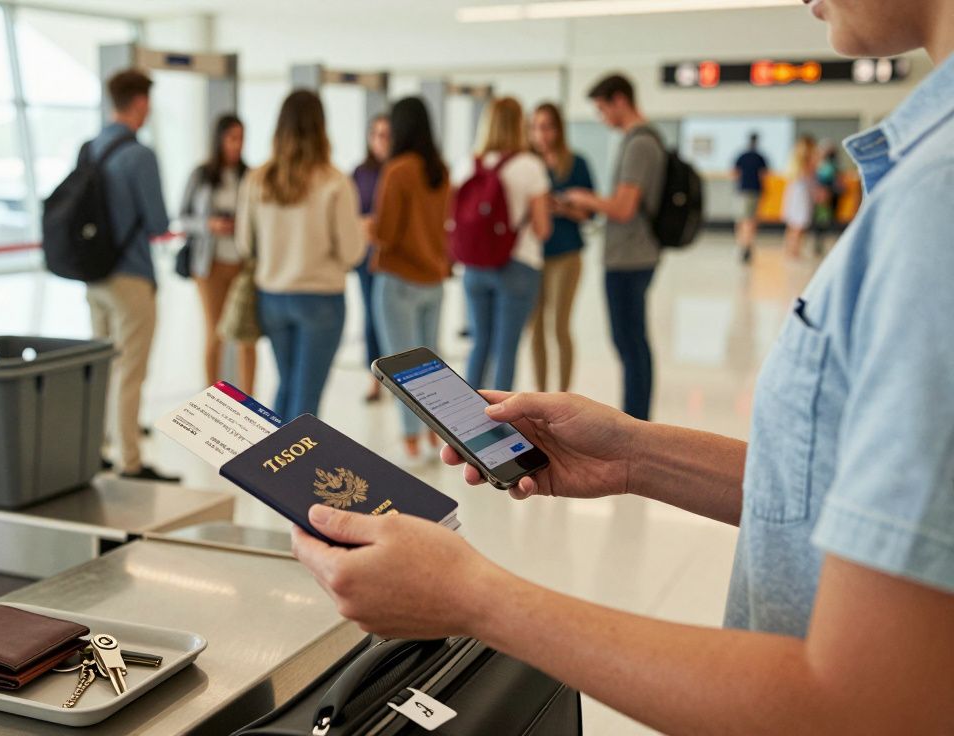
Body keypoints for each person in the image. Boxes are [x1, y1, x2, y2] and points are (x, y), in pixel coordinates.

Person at [290, 0, 954, 731]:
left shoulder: (936, 200)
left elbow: (861, 705)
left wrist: (475, 598)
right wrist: (637, 455)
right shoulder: (924, 176)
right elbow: (847, 499)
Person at [236, 91, 363, 421]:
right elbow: (351, 253)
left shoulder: (257, 179)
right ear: (322, 127)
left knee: (288, 386)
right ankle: (290, 470)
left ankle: (270, 467)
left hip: (272, 298)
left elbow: (244, 246)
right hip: (320, 300)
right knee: (306, 398)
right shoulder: (335, 182)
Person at [86, 69, 178, 483]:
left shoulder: (90, 148)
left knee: (104, 364)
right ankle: (131, 461)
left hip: (94, 274)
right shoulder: (140, 155)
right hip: (132, 275)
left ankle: (97, 448)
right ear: (140, 102)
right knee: (131, 370)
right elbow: (158, 221)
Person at [564, 74, 666, 421]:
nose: (601, 116)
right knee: (630, 342)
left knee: (631, 343)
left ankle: (636, 421)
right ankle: (637, 417)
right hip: (634, 254)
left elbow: (624, 208)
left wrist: (586, 198)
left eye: (602, 108)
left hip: (629, 257)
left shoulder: (639, 143)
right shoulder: (641, 139)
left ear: (620, 100)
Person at [369, 97, 452, 459]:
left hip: (399, 280)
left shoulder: (398, 170)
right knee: (430, 366)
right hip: (433, 280)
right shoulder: (442, 170)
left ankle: (411, 443)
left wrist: (367, 226)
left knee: (401, 367)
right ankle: (436, 437)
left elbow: (385, 232)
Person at [461, 97, 551, 395]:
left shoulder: (469, 163)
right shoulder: (530, 166)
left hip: (474, 266)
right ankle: (501, 422)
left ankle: (461, 423)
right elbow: (542, 228)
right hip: (518, 266)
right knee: (506, 348)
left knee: (479, 343)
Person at [180, 114, 256, 395]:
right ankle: (211, 396)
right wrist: (209, 224)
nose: (237, 145)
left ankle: (249, 397)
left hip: (242, 264)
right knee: (215, 332)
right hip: (209, 265)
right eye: (231, 138)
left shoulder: (250, 176)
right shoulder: (201, 175)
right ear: (219, 139)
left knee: (246, 334)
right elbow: (182, 217)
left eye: (241, 138)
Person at [529, 102, 590, 394]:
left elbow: (588, 213)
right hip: (532, 257)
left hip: (566, 255)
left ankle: (563, 394)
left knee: (559, 327)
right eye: (536, 127)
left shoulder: (576, 163)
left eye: (547, 126)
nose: (542, 134)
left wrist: (561, 207)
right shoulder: (528, 164)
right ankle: (541, 395)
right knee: (535, 329)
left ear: (558, 129)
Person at [351, 114, 391, 403]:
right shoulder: (360, 173)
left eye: (387, 134)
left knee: (393, 317)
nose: (381, 140)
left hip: (394, 257)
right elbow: (351, 215)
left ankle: (398, 380)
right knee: (371, 318)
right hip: (367, 256)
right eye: (376, 134)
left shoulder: (401, 170)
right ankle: (374, 380)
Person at [732, 132, 769, 264]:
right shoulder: (760, 157)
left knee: (742, 220)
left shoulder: (742, 156)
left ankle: (742, 244)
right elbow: (763, 175)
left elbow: (735, 173)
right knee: (750, 220)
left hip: (742, 191)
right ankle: (747, 245)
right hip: (754, 191)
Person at [781, 134, 817, 260]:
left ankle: (790, 249)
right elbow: (810, 178)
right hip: (802, 193)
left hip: (794, 191)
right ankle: (795, 251)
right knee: (799, 223)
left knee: (793, 223)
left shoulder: (794, 159)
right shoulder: (806, 161)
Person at [813, 141, 842, 255]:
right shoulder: (825, 164)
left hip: (828, 194)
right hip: (825, 194)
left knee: (824, 220)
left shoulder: (829, 164)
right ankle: (819, 244)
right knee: (823, 220)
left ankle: (820, 244)